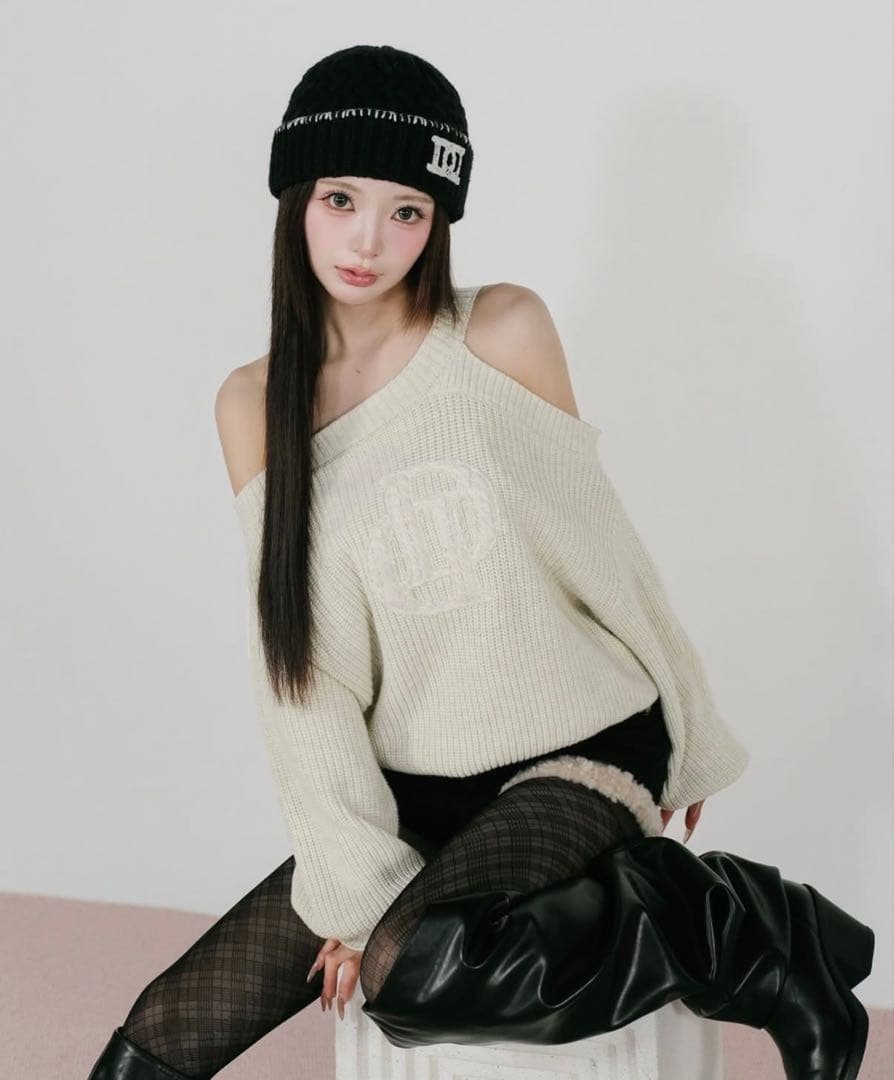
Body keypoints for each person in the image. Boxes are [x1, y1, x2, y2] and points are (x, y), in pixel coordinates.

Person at [87, 44, 874, 1080]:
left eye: (407, 210)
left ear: (439, 220)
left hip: (577, 747)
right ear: (296, 198)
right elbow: (303, 674)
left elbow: (604, 550)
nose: (369, 240)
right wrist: (358, 891)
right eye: (340, 199)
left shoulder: (499, 332)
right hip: (419, 783)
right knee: (163, 1032)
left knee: (407, 969)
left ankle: (748, 935)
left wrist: (689, 729)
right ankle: (701, 920)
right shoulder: (252, 403)